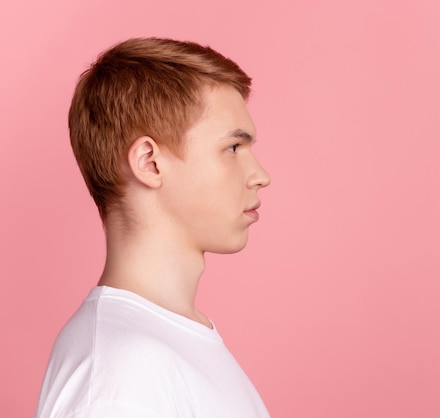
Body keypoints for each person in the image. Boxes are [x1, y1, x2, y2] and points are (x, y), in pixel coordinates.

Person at [36, 37, 272, 417]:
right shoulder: (122, 374)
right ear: (149, 162)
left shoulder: (169, 341)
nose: (260, 175)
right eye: (232, 148)